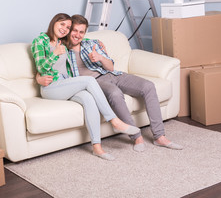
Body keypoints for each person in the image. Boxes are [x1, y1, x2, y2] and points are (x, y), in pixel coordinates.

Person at [38, 14, 183, 152]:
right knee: (115, 93)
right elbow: (47, 67)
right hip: (95, 82)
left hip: (112, 74)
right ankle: (137, 137)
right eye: (74, 30)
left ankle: (160, 136)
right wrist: (39, 78)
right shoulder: (61, 48)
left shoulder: (92, 43)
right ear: (69, 31)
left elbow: (111, 67)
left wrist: (100, 57)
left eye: (81, 32)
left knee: (148, 86)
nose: (77, 35)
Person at [31, 13, 140, 161]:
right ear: (54, 23)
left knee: (88, 98)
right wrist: (53, 55)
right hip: (50, 87)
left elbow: (81, 39)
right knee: (89, 81)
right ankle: (114, 121)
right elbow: (41, 68)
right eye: (62, 24)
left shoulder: (64, 42)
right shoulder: (40, 41)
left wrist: (98, 42)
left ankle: (97, 147)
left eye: (68, 27)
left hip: (66, 84)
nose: (65, 29)